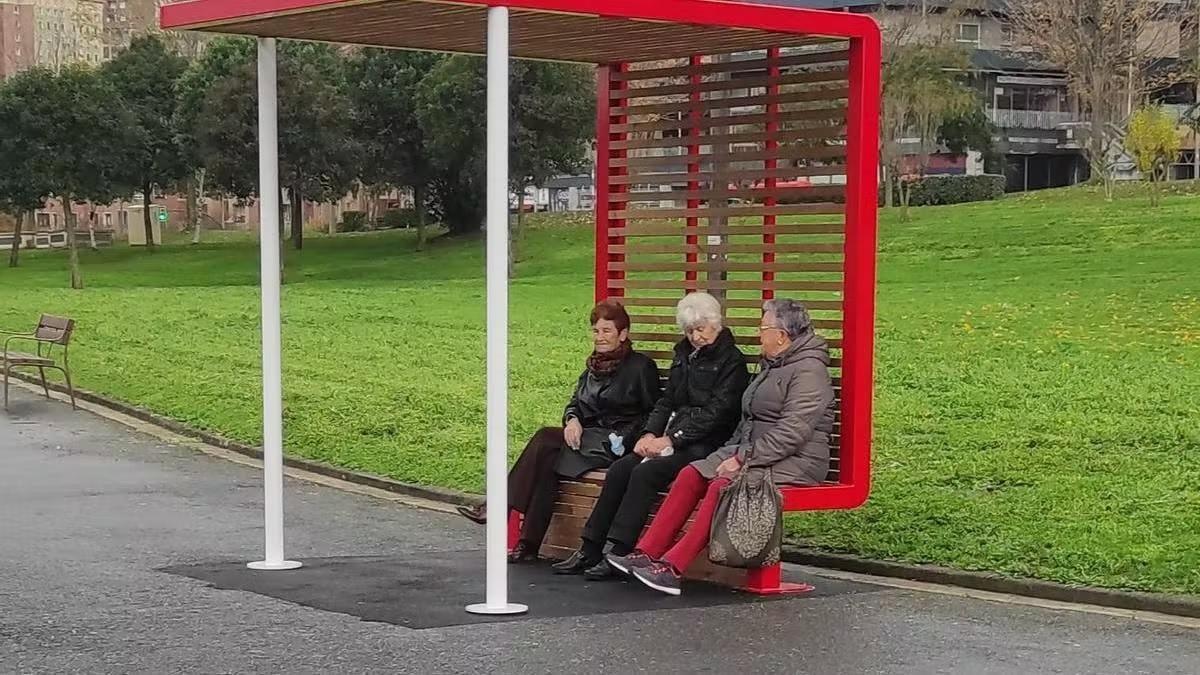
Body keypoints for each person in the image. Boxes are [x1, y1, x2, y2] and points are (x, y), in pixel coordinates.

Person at [606, 298, 836, 596]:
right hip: (758, 451)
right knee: (692, 473)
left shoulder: (808, 372)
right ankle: (645, 553)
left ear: (782, 335)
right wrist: (727, 452)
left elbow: (792, 433)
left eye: (763, 327)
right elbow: (749, 419)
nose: (759, 334)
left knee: (723, 485)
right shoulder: (773, 364)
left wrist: (742, 459)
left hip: (798, 460)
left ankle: (673, 567)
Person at [553, 292, 750, 579]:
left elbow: (717, 414)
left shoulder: (732, 362)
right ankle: (590, 545)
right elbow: (667, 400)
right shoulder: (684, 353)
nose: (695, 336)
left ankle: (620, 550)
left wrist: (672, 439)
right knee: (622, 469)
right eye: (689, 330)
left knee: (647, 473)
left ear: (715, 324)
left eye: (700, 329)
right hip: (673, 435)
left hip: (708, 442)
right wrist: (649, 434)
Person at [456, 299, 660, 562]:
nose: (600, 337)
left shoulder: (640, 367)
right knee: (548, 461)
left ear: (623, 334)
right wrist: (572, 419)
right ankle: (528, 546)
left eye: (607, 331)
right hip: (585, 438)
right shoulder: (592, 367)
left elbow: (651, 413)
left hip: (613, 442)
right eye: (596, 331)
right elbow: (575, 403)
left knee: (544, 438)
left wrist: (624, 437)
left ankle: (497, 507)